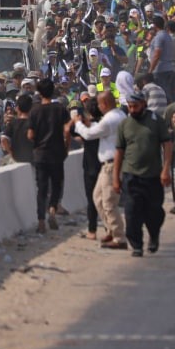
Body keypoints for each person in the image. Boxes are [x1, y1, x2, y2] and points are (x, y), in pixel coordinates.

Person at [113, 91, 172, 257]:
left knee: (154, 213)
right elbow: (119, 152)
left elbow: (167, 145)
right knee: (132, 213)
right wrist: (115, 178)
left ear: (144, 104)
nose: (132, 110)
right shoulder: (124, 125)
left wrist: (166, 169)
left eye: (135, 106)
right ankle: (137, 245)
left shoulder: (156, 122)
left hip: (153, 176)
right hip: (131, 176)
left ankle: (154, 235)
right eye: (130, 106)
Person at [72, 91, 128, 249]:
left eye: (100, 104)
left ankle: (119, 237)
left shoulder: (110, 119)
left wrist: (77, 123)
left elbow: (89, 135)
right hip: (107, 165)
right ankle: (111, 229)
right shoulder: (119, 115)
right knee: (97, 198)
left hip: (112, 165)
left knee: (108, 202)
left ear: (105, 104)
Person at [27, 77, 71, 234]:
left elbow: (30, 135)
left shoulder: (34, 111)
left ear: (39, 93)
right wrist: (66, 147)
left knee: (42, 189)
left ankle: (41, 223)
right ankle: (53, 209)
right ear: (53, 92)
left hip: (40, 155)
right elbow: (67, 130)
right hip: (57, 153)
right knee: (57, 185)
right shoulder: (60, 109)